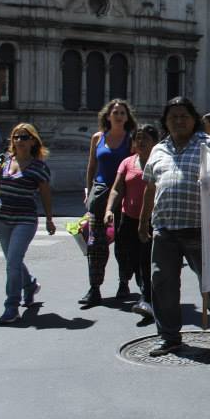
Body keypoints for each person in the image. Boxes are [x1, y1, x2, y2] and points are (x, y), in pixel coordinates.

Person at [138, 97, 210, 357]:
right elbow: (150, 187)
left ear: (194, 119)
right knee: (163, 284)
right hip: (164, 229)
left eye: (184, 116)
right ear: (165, 121)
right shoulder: (158, 149)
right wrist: (143, 221)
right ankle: (169, 337)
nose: (178, 121)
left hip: (201, 229)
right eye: (173, 117)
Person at [0, 123, 55, 324]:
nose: (20, 140)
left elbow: (45, 194)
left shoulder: (39, 166)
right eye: (16, 137)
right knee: (14, 261)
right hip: (3, 219)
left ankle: (11, 306)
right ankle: (29, 285)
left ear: (33, 142)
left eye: (24, 137)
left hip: (25, 220)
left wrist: (49, 219)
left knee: (13, 262)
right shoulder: (4, 161)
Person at [81, 99, 136, 307]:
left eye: (122, 113)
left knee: (123, 243)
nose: (119, 116)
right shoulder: (98, 138)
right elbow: (91, 166)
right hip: (100, 194)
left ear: (127, 117)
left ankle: (124, 282)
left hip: (123, 195)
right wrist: (88, 191)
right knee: (96, 244)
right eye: (115, 112)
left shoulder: (131, 140)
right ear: (108, 116)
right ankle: (94, 288)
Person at [103, 125, 160, 319]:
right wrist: (109, 209)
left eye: (145, 139)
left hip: (151, 220)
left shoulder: (160, 163)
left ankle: (146, 298)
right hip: (128, 219)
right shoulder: (127, 162)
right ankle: (141, 286)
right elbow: (117, 188)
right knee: (130, 256)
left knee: (145, 259)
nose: (141, 142)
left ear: (155, 142)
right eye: (138, 138)